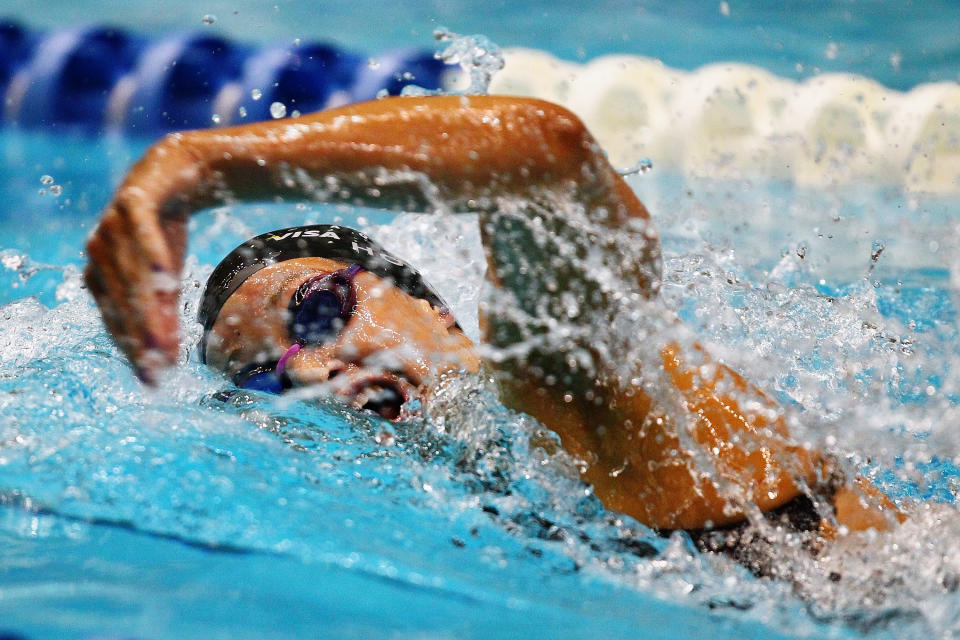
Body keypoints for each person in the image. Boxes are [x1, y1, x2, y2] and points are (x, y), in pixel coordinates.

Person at [84, 94, 900, 545]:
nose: (307, 371)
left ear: (427, 300)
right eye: (265, 377)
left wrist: (197, 164)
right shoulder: (494, 473)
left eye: (319, 312)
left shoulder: (550, 380)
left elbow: (549, 155)